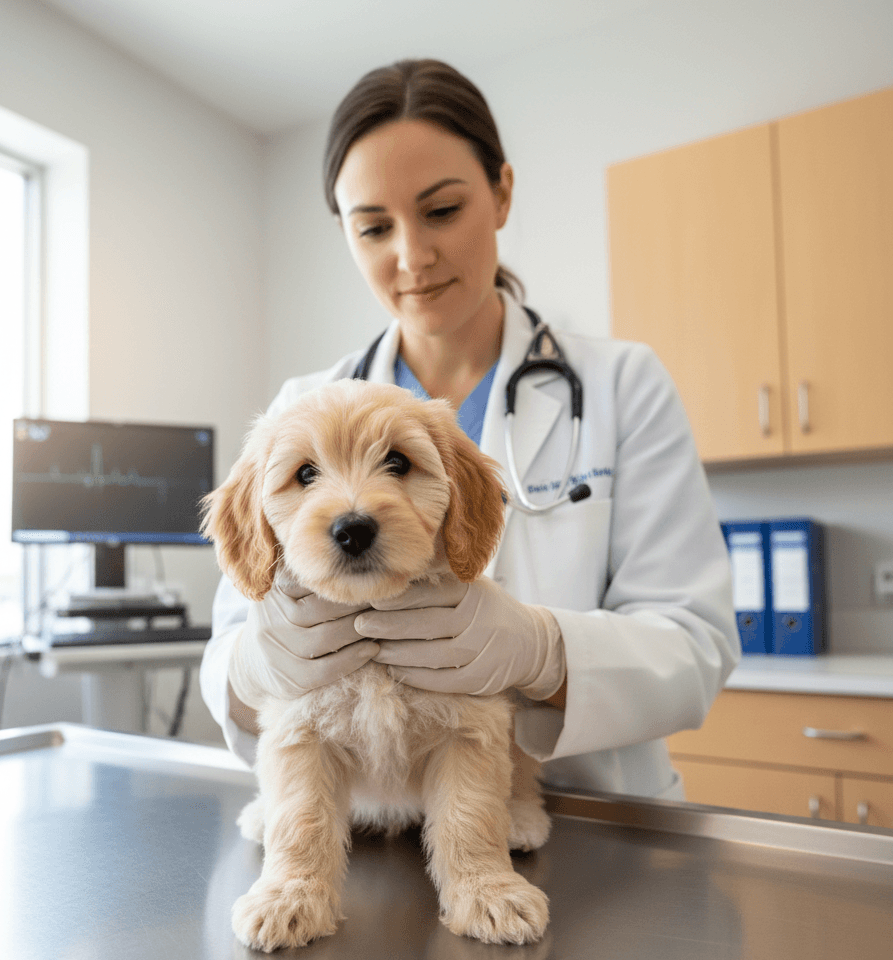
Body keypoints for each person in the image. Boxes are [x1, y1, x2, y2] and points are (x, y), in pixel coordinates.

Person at [200, 58, 740, 800]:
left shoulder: (623, 384)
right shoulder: (302, 407)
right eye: (373, 228)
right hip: (372, 832)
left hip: (598, 825)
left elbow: (698, 645)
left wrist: (545, 654)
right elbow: (228, 645)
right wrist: (258, 665)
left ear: (502, 194)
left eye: (442, 211)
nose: (412, 256)